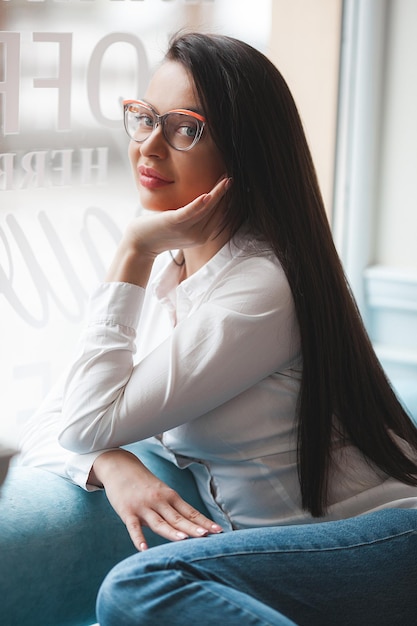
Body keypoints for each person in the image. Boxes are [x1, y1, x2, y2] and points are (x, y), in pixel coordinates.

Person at [19, 31, 417, 623]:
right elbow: (53, 416)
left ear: (244, 153)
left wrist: (132, 249)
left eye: (184, 128)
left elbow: (84, 420)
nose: (149, 146)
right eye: (144, 117)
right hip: (270, 552)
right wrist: (114, 465)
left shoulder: (262, 287)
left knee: (139, 588)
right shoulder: (169, 276)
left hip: (380, 543)